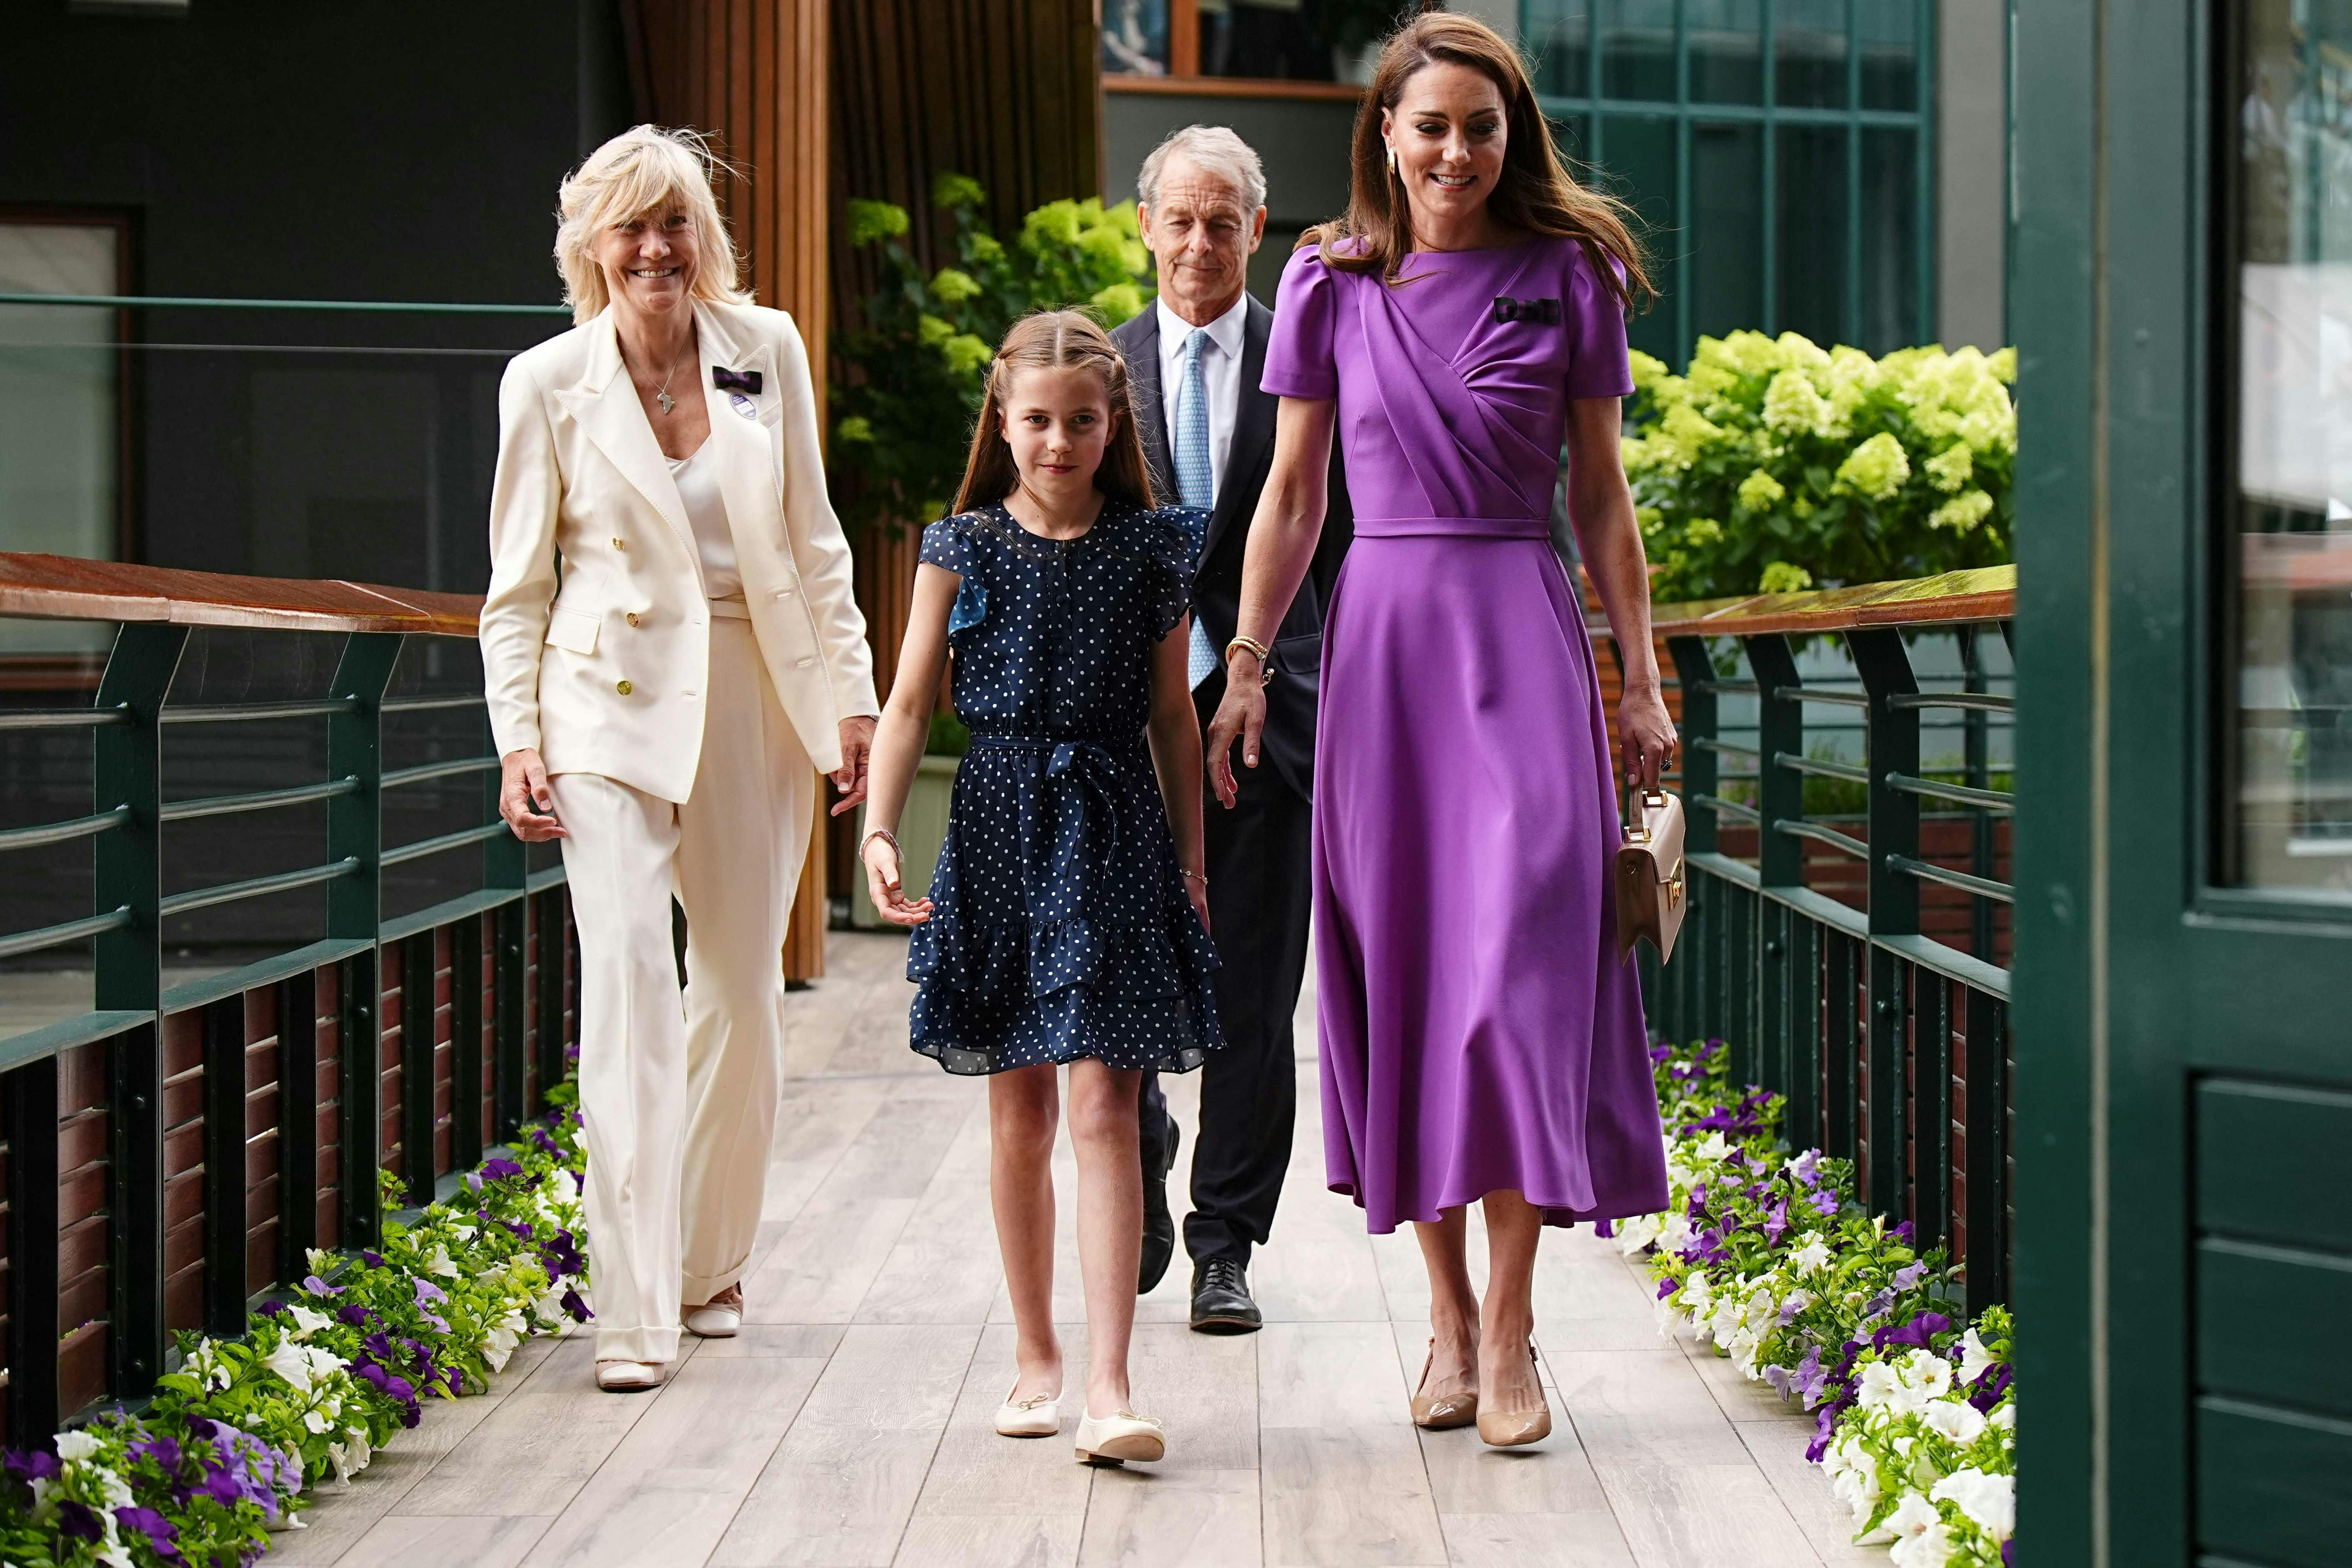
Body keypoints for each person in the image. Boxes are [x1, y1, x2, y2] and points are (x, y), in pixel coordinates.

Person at [1203, 13, 1677, 1448]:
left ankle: (1520, 1322)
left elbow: (1599, 496)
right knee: (1408, 971)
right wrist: (1242, 661)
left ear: (1510, 137)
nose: (1457, 150)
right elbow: (1291, 499)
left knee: (1526, 961)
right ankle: (1449, 1316)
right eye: (1431, 127)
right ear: (1388, 141)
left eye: (1481, 126)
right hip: (1385, 649)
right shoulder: (1325, 283)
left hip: (1521, 639)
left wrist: (1640, 677)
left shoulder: (1571, 275)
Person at [479, 126, 879, 1393]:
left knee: (743, 997)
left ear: (706, 236)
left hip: (750, 694)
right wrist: (519, 738)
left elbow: (816, 545)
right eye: (630, 227)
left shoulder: (768, 353)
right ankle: (634, 1306)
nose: (657, 248)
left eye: (677, 224)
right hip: (603, 706)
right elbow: (515, 590)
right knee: (633, 994)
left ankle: (710, 1260)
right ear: (590, 246)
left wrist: (854, 703)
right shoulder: (545, 382)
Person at [859, 311, 1222, 1466]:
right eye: (1036, 421)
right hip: (999, 822)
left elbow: (1175, 716)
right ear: (1002, 423)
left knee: (1105, 1104)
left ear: (1114, 423)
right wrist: (875, 827)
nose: (1058, 441)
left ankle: (1112, 1383)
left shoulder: (1151, 546)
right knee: (1016, 1107)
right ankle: (1036, 1358)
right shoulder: (960, 546)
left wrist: (1193, 863)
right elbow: (911, 701)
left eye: (1081, 420)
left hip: (1113, 827)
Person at [1114, 126, 1351, 1331]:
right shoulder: (1097, 373)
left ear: (1257, 231)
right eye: (1181, 219)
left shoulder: (1310, 360)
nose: (1200, 242)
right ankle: (1143, 1146)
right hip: (1127, 724)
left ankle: (1226, 1244)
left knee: (1258, 987)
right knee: (1130, 965)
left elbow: (1348, 540)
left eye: (1224, 222)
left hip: (1277, 713)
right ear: (1144, 226)